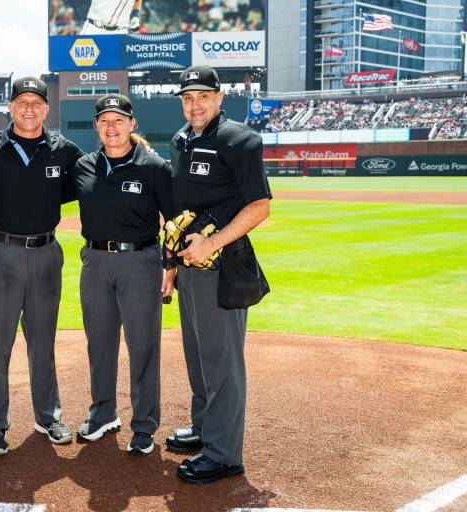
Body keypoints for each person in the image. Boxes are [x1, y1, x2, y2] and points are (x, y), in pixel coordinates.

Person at [0, 77, 83, 456]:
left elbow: (81, 187)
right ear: (10, 107)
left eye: (36, 102)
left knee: (43, 341)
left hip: (46, 253)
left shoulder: (64, 150)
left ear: (46, 109)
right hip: (0, 252)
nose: (29, 109)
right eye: (22, 102)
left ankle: (48, 416)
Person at [166, 65, 271, 483]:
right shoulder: (180, 139)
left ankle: (225, 454)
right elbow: (178, 210)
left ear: (219, 97)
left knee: (221, 361)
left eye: (202, 96)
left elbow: (259, 206)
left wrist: (212, 242)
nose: (194, 105)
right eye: (188, 98)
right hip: (189, 266)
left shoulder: (240, 141)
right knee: (197, 356)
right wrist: (171, 263)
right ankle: (207, 430)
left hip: (223, 266)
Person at [74, 93, 174, 454]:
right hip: (96, 262)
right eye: (104, 121)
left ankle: (144, 425)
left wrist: (171, 268)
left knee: (143, 347)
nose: (111, 127)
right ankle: (103, 413)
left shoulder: (154, 166)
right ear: (97, 126)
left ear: (132, 124)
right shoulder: (84, 165)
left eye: (119, 120)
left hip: (141, 264)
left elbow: (175, 222)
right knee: (99, 344)